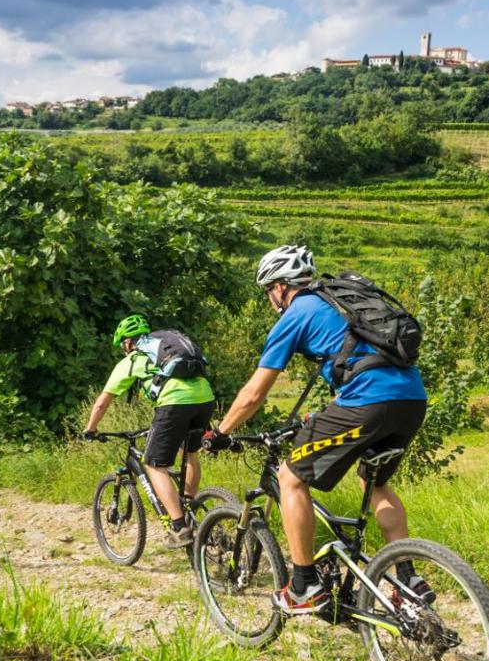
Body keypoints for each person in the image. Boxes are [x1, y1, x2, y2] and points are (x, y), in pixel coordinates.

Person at [203, 245, 430, 615]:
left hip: (367, 400)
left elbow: (254, 393)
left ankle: (304, 583)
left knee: (290, 477)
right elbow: (354, 361)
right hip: (411, 400)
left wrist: (221, 432)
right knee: (375, 482)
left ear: (279, 287)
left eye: (267, 292)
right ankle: (408, 579)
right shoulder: (339, 303)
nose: (270, 300)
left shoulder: (296, 313)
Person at [83, 314, 215, 548]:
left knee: (154, 464)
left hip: (174, 402)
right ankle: (187, 504)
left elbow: (102, 402)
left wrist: (90, 429)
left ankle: (179, 526)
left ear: (127, 342)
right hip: (205, 398)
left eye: (122, 345)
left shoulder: (132, 359)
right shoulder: (167, 347)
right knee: (190, 452)